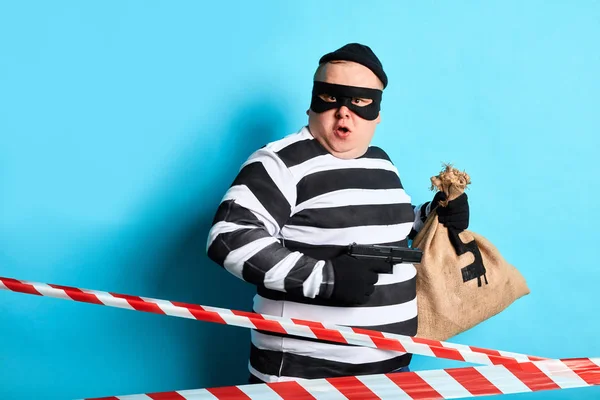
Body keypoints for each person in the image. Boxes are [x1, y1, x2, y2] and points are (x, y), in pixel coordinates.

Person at [206, 43, 470, 383]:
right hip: (304, 378)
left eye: (359, 101)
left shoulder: (381, 161)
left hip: (391, 371)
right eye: (331, 98)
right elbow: (229, 238)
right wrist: (324, 278)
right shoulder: (280, 163)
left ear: (377, 114)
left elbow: (392, 225)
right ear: (311, 105)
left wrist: (435, 213)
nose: (344, 113)